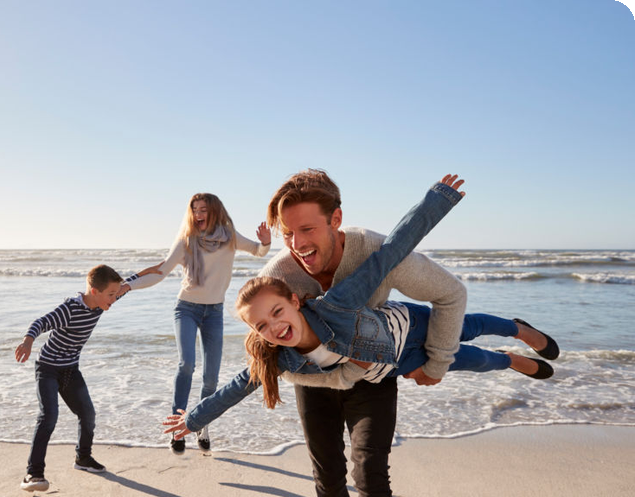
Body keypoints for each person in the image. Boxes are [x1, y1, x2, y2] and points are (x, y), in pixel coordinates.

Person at [168, 171, 495, 497]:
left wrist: (439, 199)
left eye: (307, 229)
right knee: (327, 475)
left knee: (371, 473)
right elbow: (247, 375)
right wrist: (194, 418)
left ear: (335, 219)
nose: (298, 242)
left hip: (370, 375)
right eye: (288, 233)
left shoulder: (361, 262)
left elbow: (406, 253)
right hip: (314, 382)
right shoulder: (279, 278)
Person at [164, 177, 558, 435]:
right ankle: (509, 360)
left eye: (277, 313)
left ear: (295, 301)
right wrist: (193, 419)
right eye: (262, 327)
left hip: (409, 326)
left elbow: (390, 254)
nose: (274, 327)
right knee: (473, 360)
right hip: (398, 361)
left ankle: (516, 328)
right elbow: (238, 386)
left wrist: (437, 201)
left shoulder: (339, 300)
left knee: (468, 327)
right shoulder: (280, 356)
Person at [124, 192, 271, 453]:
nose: (198, 214)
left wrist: (266, 242)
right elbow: (161, 272)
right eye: (194, 209)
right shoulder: (186, 240)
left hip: (214, 312)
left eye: (203, 209)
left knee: (211, 378)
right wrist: (128, 286)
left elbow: (258, 251)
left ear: (214, 211)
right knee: (187, 364)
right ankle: (176, 427)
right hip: (187, 309)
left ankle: (202, 425)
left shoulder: (229, 236)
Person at [14, 264, 149, 492]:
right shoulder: (69, 309)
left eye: (115, 294)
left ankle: (83, 458)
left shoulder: (103, 300)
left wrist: (156, 269)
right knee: (49, 417)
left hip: (70, 370)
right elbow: (40, 322)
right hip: (47, 368)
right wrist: (27, 342)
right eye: (111, 294)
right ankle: (33, 474)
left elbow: (129, 283)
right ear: (95, 291)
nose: (114, 299)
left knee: (87, 414)